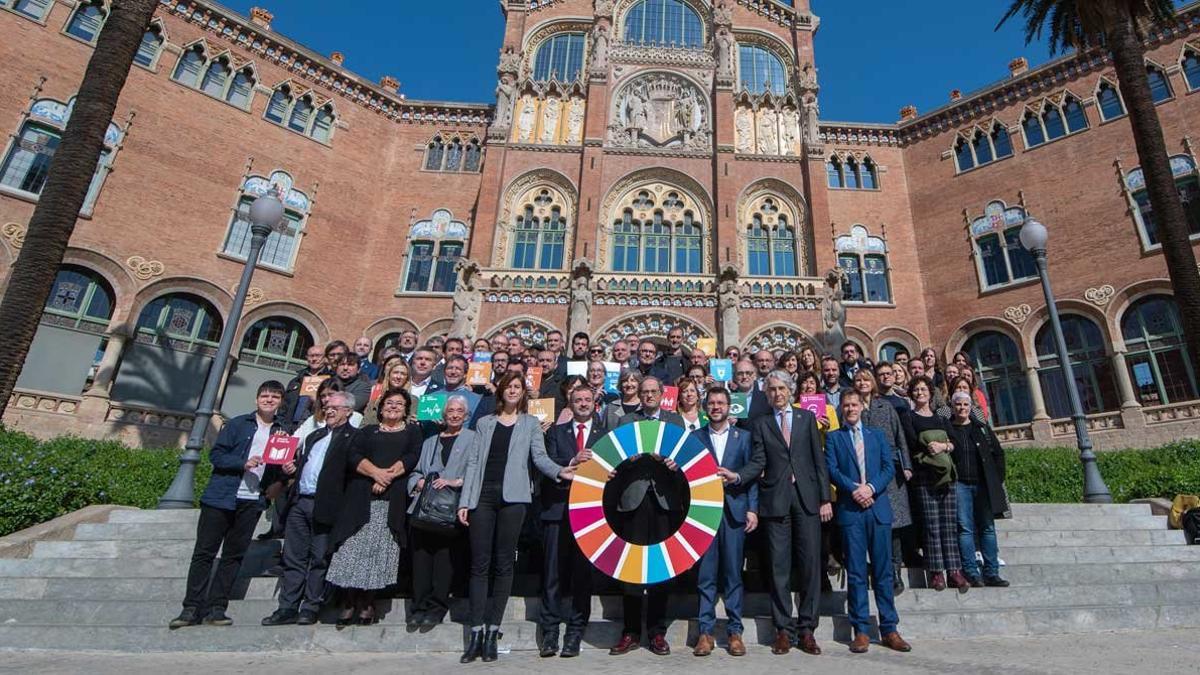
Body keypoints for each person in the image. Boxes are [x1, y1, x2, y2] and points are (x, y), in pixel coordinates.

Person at [457, 373, 579, 663]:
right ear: (500, 391)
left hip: (514, 499)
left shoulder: (530, 424)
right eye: (508, 387)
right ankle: (475, 633)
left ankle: (492, 632)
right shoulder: (485, 423)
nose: (512, 391)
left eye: (517, 387)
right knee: (479, 564)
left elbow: (539, 457)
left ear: (523, 393)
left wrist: (561, 471)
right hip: (482, 497)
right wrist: (465, 500)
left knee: (503, 565)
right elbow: (473, 462)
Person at [169, 381, 286, 629]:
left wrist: (280, 480)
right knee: (204, 553)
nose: (269, 400)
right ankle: (191, 607)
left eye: (274, 397)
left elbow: (280, 466)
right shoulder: (237, 424)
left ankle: (216, 607)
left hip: (252, 500)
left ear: (281, 402)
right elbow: (217, 455)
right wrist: (242, 463)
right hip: (222, 496)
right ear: (256, 399)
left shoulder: (282, 431)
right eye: (264, 396)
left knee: (233, 556)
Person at [740, 370, 831, 656]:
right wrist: (738, 477)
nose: (776, 394)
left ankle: (807, 630)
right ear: (765, 394)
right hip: (775, 501)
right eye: (771, 390)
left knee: (810, 566)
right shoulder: (762, 423)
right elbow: (757, 462)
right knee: (778, 568)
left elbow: (819, 460)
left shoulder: (806, 419)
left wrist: (825, 498)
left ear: (790, 390)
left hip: (807, 500)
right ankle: (782, 629)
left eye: (781, 388)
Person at [824, 391, 912, 654]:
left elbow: (888, 467)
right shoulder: (834, 438)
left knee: (884, 572)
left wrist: (871, 488)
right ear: (841, 409)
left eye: (854, 404)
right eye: (846, 405)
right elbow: (833, 470)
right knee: (857, 572)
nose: (851, 409)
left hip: (878, 509)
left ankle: (889, 628)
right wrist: (855, 489)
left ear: (862, 406)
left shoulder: (877, 436)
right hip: (851, 510)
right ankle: (861, 629)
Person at [263, 391, 361, 626]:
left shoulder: (354, 437)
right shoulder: (314, 436)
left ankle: (310, 606)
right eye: (327, 407)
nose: (328, 411)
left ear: (348, 411)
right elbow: (306, 465)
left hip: (328, 504)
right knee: (293, 557)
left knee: (319, 557)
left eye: (335, 408)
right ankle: (287, 607)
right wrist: (292, 469)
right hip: (301, 501)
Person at [327, 390, 422, 625]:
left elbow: (412, 457)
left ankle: (368, 602)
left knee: (379, 551)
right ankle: (349, 601)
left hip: (391, 499)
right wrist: (376, 474)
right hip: (361, 496)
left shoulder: (412, 432)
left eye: (399, 404)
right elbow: (354, 455)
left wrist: (387, 477)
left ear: (406, 409)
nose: (393, 407)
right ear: (380, 408)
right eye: (389, 403)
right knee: (352, 548)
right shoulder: (367, 431)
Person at [611, 376, 685, 656]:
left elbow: (684, 460)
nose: (649, 396)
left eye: (654, 391)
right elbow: (614, 460)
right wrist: (625, 459)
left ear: (662, 394)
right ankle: (630, 631)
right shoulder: (626, 422)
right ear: (639, 395)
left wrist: (673, 463)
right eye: (645, 392)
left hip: (664, 501)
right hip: (633, 499)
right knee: (631, 567)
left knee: (659, 568)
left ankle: (657, 632)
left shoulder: (675, 422)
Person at [538, 387, 603, 658]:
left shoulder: (605, 435)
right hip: (557, 510)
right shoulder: (555, 432)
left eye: (588, 400)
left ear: (594, 403)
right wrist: (572, 460)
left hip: (589, 514)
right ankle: (550, 632)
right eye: (578, 400)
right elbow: (547, 464)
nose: (584, 404)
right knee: (552, 575)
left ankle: (575, 632)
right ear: (570, 404)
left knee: (581, 576)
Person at [693, 387, 758, 657]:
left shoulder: (743, 437)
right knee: (706, 576)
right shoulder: (695, 438)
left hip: (734, 512)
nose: (716, 407)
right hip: (704, 514)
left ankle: (734, 632)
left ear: (730, 407)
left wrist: (753, 509)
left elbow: (751, 476)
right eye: (712, 403)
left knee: (733, 575)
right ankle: (705, 633)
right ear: (706, 408)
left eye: (721, 403)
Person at [407, 396, 476, 627]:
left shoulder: (474, 439)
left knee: (444, 561)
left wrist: (457, 481)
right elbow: (415, 471)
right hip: (425, 508)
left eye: (459, 411)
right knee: (421, 559)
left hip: (451, 508)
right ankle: (418, 606)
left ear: (466, 416)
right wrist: (418, 482)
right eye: (450, 411)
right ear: (444, 415)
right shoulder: (430, 442)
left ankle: (437, 607)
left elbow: (478, 471)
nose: (454, 415)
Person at [901, 376, 969, 593]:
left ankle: (955, 571)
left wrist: (943, 446)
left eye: (923, 389)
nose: (920, 393)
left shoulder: (941, 417)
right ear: (911, 394)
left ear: (930, 393)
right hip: (924, 476)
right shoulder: (908, 417)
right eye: (916, 390)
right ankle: (936, 572)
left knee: (949, 524)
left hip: (946, 476)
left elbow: (955, 442)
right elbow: (913, 442)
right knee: (931, 525)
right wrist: (934, 446)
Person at [852, 369, 913, 594]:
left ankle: (895, 573)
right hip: (864, 473)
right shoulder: (851, 408)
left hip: (890, 471)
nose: (862, 383)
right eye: (858, 380)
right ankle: (878, 570)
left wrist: (906, 465)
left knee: (893, 525)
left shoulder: (885, 406)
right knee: (872, 524)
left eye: (866, 379)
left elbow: (900, 437)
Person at [947, 391, 1010, 588]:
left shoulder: (981, 429)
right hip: (960, 485)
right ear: (953, 407)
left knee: (987, 528)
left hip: (983, 485)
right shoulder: (948, 429)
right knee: (965, 529)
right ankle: (971, 572)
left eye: (966, 405)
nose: (962, 408)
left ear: (970, 407)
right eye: (958, 405)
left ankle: (991, 572)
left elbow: (998, 454)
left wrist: (996, 479)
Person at [280, 345, 330, 432]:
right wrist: (281, 425)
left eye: (318, 356)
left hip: (315, 426)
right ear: (307, 358)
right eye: (311, 356)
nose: (314, 359)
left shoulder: (330, 380)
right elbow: (284, 406)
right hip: (291, 426)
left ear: (325, 358)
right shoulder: (296, 381)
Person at [364, 359, 409, 425]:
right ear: (389, 375)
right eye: (395, 372)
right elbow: (364, 424)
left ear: (407, 378)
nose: (398, 377)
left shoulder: (413, 400)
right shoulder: (376, 398)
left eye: (403, 374)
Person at [731, 358, 771, 429]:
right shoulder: (728, 398)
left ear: (755, 376)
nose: (744, 377)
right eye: (740, 373)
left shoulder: (766, 398)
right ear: (734, 377)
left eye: (748, 373)